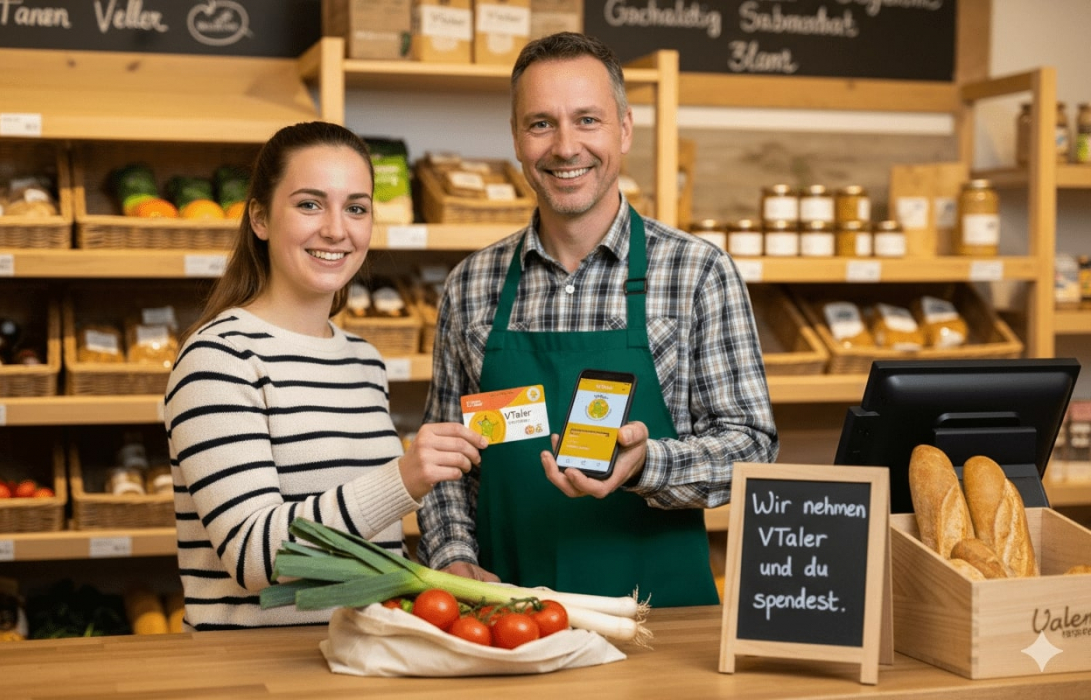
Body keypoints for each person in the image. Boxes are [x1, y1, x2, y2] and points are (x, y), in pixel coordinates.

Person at [416, 33, 779, 607]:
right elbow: (447, 465)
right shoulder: (471, 285)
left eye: (587, 120)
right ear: (516, 138)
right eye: (541, 124)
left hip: (659, 627)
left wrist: (648, 464)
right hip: (509, 620)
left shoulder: (697, 272)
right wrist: (454, 559)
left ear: (624, 130)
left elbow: (752, 448)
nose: (565, 147)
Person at [164, 121, 487, 630]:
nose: (337, 229)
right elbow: (254, 557)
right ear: (260, 218)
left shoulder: (363, 360)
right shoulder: (218, 358)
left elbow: (363, 551)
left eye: (356, 208)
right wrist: (402, 479)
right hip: (253, 675)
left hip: (358, 660)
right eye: (310, 204)